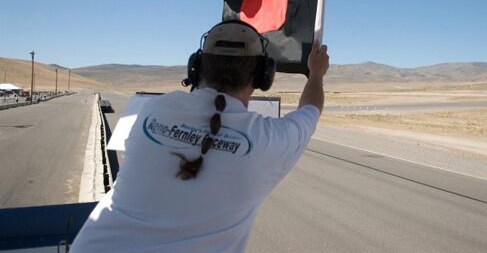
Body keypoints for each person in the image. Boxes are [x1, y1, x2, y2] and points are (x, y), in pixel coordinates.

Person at [71, 20, 329, 253]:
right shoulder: (267, 141)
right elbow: (310, 109)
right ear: (264, 75)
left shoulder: (153, 111)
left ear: (195, 67)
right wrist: (315, 73)